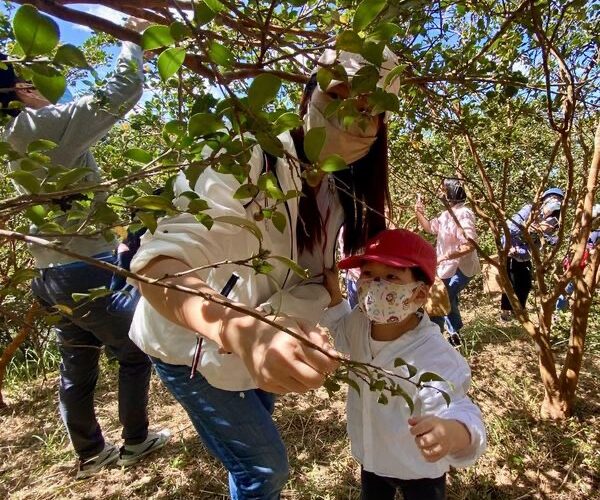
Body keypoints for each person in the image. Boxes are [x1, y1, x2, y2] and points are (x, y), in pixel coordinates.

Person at [127, 47, 399, 499]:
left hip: (265, 336)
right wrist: (244, 331)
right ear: (308, 95)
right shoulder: (245, 158)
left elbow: (319, 279)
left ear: (378, 132)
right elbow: (160, 267)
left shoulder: (334, 194)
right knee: (264, 468)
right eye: (339, 94)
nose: (352, 115)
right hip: (187, 342)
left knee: (252, 454)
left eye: (369, 110)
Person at [0, 18, 169, 479]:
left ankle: (92, 451)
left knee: (77, 361)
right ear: (19, 86)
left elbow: (65, 149)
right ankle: (136, 440)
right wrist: (131, 41)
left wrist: (46, 106)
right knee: (134, 350)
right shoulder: (41, 123)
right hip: (85, 265)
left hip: (48, 275)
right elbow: (118, 95)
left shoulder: (13, 137)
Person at [321, 229, 486, 500]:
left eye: (391, 277)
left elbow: (460, 407)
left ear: (419, 294)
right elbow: (343, 338)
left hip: (419, 468)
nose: (375, 286)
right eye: (369, 275)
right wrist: (335, 298)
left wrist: (454, 433)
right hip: (372, 457)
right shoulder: (360, 322)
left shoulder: (434, 355)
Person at [415, 179, 480, 346]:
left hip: (460, 269)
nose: (441, 193)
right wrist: (419, 212)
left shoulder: (463, 213)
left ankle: (437, 340)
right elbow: (429, 228)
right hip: (445, 269)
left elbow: (470, 243)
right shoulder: (446, 215)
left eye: (444, 190)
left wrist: (447, 256)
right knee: (448, 300)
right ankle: (454, 335)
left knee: (439, 300)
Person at [500, 187, 564, 321]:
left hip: (522, 256)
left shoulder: (554, 221)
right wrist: (511, 247)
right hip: (510, 252)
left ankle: (519, 311)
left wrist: (521, 251)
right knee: (510, 283)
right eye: (553, 200)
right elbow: (509, 228)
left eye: (558, 201)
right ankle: (506, 313)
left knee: (524, 284)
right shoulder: (529, 210)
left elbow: (535, 247)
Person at [556, 203, 600, 311]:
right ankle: (559, 311)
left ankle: (563, 311)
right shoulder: (591, 232)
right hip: (579, 264)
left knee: (574, 288)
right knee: (569, 287)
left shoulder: (593, 231)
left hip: (583, 265)